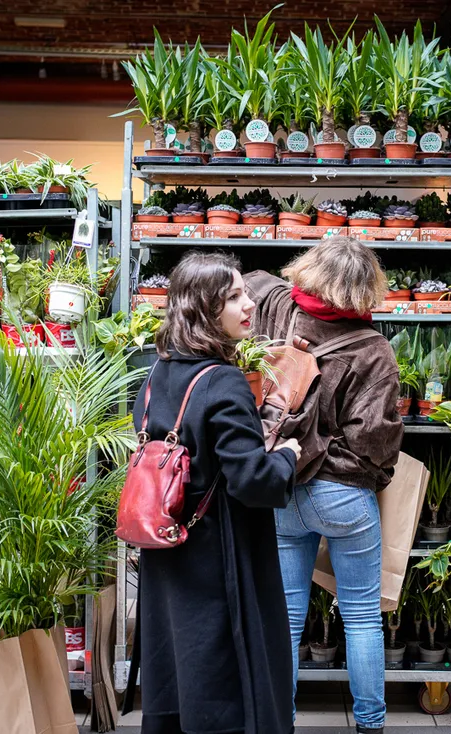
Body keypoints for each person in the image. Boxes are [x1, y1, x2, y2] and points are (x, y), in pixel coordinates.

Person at [129, 251, 303, 734]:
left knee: (181, 673)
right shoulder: (223, 381)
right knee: (228, 681)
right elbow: (251, 481)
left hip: (169, 554)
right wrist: (286, 455)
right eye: (233, 296)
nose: (249, 304)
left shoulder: (155, 374)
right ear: (204, 309)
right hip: (220, 562)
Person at [245, 236, 404, 734]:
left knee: (287, 618)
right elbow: (376, 443)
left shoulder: (274, 310)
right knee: (360, 617)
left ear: (309, 271)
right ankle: (370, 724)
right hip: (343, 496)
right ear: (364, 291)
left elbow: (249, 284)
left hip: (282, 485)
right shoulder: (373, 351)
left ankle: (281, 721)